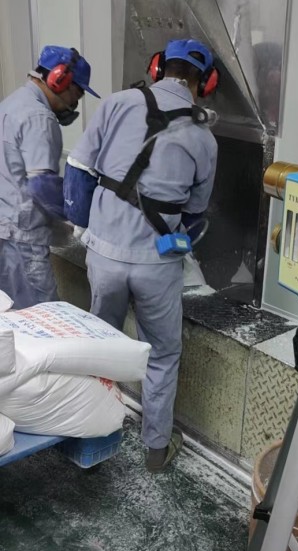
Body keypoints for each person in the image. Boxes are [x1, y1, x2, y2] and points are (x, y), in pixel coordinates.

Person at [63, 38, 219, 473]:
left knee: (101, 348)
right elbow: (196, 213)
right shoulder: (204, 137)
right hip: (157, 264)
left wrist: (83, 225)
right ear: (206, 83)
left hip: (104, 254)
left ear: (157, 68)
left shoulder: (117, 103)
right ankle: (155, 450)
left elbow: (78, 168)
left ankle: (90, 440)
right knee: (162, 355)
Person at [0, 45, 100, 308]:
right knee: (42, 314)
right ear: (59, 80)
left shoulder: (11, 103)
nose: (75, 104)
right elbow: (42, 185)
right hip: (21, 238)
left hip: (5, 227)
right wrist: (79, 215)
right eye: (77, 94)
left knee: (8, 314)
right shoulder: (39, 117)